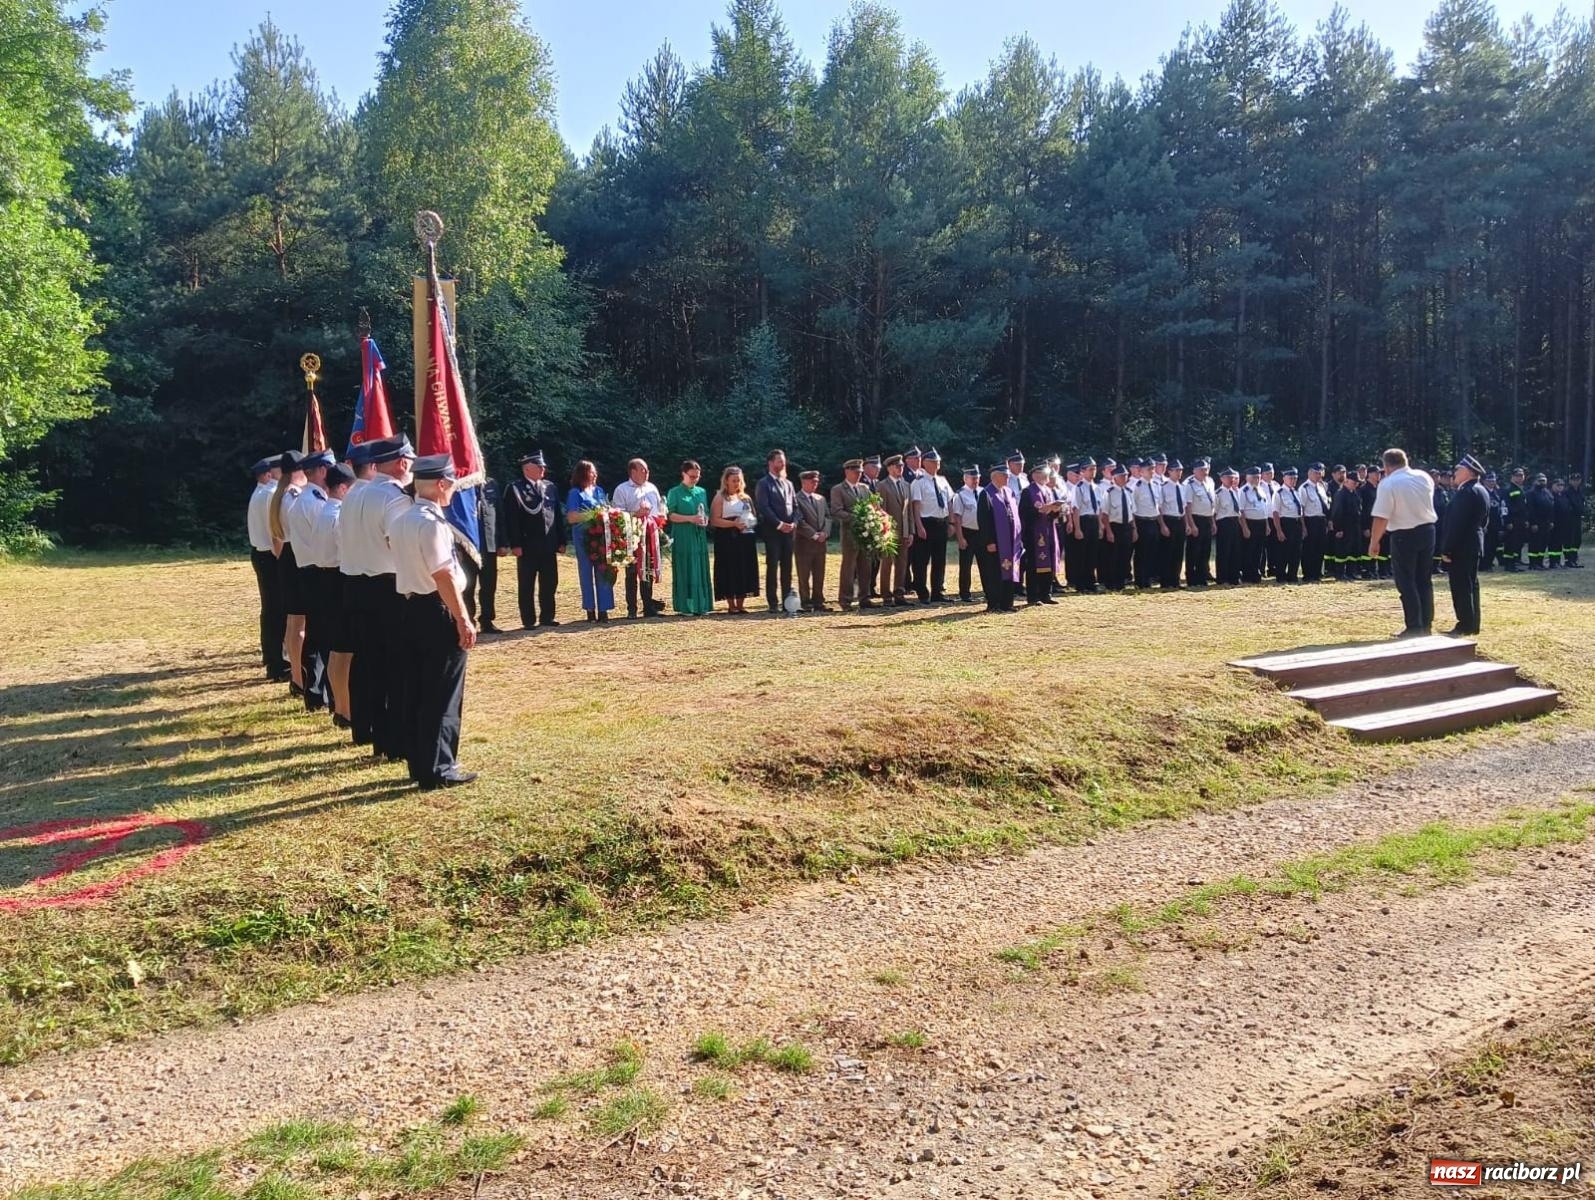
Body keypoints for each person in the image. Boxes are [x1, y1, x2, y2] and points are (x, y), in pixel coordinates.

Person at [390, 454, 478, 791]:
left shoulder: (402, 519)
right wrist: (463, 619)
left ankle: (421, 761)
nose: (454, 489)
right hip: (436, 609)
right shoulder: (431, 523)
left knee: (418, 688)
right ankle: (440, 766)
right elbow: (442, 575)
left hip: (411, 607)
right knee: (443, 691)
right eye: (452, 483)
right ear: (441, 484)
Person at [339, 434, 416, 760]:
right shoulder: (394, 498)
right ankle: (395, 741)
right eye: (411, 462)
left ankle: (370, 732)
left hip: (355, 585)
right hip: (387, 587)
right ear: (401, 463)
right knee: (396, 668)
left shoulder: (356, 492)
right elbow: (399, 544)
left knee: (369, 663)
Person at [1369, 447, 1438, 638]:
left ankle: (1414, 626)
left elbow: (1381, 517)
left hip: (1403, 534)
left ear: (1386, 466)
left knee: (1406, 581)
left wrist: (1374, 542)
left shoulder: (1388, 483)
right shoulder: (1424, 477)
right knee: (1424, 580)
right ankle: (1426, 624)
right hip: (1428, 530)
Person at [288, 449, 335, 714]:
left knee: (317, 633)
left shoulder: (307, 498)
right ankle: (318, 691)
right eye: (327, 468)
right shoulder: (313, 502)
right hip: (316, 572)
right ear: (319, 471)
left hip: (309, 571)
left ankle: (315, 691)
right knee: (322, 635)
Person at [308, 463, 355, 727]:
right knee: (343, 650)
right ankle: (344, 707)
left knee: (337, 648)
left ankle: (340, 705)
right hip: (338, 579)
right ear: (342, 488)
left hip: (324, 577)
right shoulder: (337, 515)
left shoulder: (324, 512)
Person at [501, 451, 564, 629]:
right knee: (527, 584)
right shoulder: (515, 488)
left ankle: (547, 616)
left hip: (548, 544)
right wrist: (515, 544)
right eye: (539, 466)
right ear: (527, 468)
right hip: (527, 545)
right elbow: (511, 519)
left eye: (543, 466)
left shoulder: (550, 487)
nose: (543, 469)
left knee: (550, 582)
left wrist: (561, 540)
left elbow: (556, 515)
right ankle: (528, 620)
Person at [268, 450, 310, 698]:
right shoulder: (293, 495)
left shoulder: (278, 495)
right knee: (300, 623)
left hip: (286, 555)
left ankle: (296, 675)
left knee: (293, 622)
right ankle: (298, 676)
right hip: (296, 555)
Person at [247, 456, 288, 681]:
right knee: (277, 610)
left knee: (270, 610)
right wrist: (283, 562)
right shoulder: (271, 494)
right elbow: (276, 534)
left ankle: (271, 656)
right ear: (269, 474)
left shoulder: (260, 493)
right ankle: (276, 662)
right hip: (271, 557)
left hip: (261, 555)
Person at [614, 458, 667, 618]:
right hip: (632, 535)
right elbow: (616, 515)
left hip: (650, 535)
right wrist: (636, 514)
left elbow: (658, 510)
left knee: (648, 571)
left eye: (647, 470)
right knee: (631, 573)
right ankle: (632, 609)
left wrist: (661, 516)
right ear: (633, 471)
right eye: (643, 470)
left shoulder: (652, 488)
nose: (647, 473)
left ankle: (648, 606)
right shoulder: (622, 489)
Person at [1442, 454, 1489, 636]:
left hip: (1462, 547)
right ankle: (1472, 623)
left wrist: (1447, 549)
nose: (1455, 473)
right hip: (1473, 544)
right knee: (1471, 584)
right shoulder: (1481, 490)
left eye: (1458, 470)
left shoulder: (1466, 493)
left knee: (1461, 586)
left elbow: (1456, 524)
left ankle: (1464, 624)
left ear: (1468, 472)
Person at [565, 460, 615, 622]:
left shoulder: (599, 491)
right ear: (583, 474)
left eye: (595, 472)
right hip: (583, 538)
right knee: (586, 573)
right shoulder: (575, 493)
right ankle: (590, 609)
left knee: (603, 571)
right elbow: (572, 517)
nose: (595, 475)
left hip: (601, 537)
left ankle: (604, 610)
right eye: (592, 472)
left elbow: (606, 510)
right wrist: (594, 515)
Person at [665, 459, 714, 615]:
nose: (694, 479)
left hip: (699, 536)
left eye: (697, 477)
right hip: (683, 536)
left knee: (700, 567)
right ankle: (686, 606)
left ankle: (702, 604)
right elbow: (671, 515)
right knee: (685, 568)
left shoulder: (702, 492)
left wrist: (704, 520)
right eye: (692, 476)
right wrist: (690, 519)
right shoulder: (674, 492)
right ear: (683, 474)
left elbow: (705, 512)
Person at [711, 465, 761, 613]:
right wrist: (734, 523)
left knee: (744, 568)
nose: (736, 483)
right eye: (733, 480)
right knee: (729, 569)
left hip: (744, 539)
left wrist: (749, 524)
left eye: (738, 480)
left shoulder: (746, 498)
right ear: (726, 481)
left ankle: (741, 603)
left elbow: (753, 517)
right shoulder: (720, 497)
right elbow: (714, 520)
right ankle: (731, 605)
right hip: (726, 539)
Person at [755, 449, 798, 614]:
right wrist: (779, 524)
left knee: (787, 566)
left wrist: (793, 522)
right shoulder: (764, 483)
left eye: (783, 461)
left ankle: (788, 600)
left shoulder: (788, 483)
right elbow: (764, 507)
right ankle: (773, 602)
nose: (782, 464)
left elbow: (795, 506)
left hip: (789, 531)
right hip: (772, 531)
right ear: (771, 463)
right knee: (772, 565)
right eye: (779, 461)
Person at [829, 459, 876, 610]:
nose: (858, 475)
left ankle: (864, 597)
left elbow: (874, 506)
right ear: (847, 472)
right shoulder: (838, 489)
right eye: (855, 472)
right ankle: (845, 600)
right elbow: (836, 511)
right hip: (849, 534)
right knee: (849, 567)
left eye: (860, 473)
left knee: (866, 567)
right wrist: (856, 517)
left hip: (865, 534)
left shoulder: (864, 488)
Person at [976, 463, 1023, 612]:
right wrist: (989, 541)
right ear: (995, 476)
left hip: (1010, 541)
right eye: (1005, 475)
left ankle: (1007, 603)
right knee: (994, 572)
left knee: (1009, 571)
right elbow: (983, 520)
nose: (1008, 477)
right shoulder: (987, 494)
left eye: (1008, 475)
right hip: (995, 542)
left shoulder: (1009, 492)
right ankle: (994, 603)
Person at [908, 448, 952, 603]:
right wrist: (919, 526)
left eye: (938, 461)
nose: (937, 464)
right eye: (933, 461)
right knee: (921, 560)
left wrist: (951, 522)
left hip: (941, 522)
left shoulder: (943, 480)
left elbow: (949, 502)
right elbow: (916, 506)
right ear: (925, 463)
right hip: (926, 523)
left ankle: (937, 592)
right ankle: (922, 592)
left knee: (940, 560)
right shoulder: (918, 482)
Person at [461, 476, 501, 634]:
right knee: (468, 586)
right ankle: (469, 620)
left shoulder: (491, 484)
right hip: (468, 546)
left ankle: (487, 620)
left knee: (489, 586)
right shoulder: (461, 485)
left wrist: (502, 542)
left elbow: (499, 514)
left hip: (489, 545)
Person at [875, 454, 915, 605]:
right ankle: (886, 596)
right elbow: (879, 510)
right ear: (890, 468)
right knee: (886, 564)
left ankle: (899, 594)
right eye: (897, 466)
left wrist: (910, 531)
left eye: (902, 466)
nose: (901, 468)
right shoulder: (882, 486)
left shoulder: (906, 485)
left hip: (904, 532)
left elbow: (909, 511)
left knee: (902, 564)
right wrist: (884, 531)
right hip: (888, 531)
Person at [1020, 463, 1063, 604]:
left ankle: (1046, 593)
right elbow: (1024, 513)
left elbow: (1051, 516)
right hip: (1034, 534)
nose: (1046, 476)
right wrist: (1040, 510)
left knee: (1048, 562)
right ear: (1035, 475)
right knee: (1034, 566)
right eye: (1043, 473)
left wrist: (1055, 511)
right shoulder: (1028, 492)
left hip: (1049, 532)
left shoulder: (1048, 491)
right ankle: (1033, 596)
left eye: (1047, 473)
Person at [794, 469, 832, 611]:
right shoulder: (796, 499)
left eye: (816, 482)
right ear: (803, 482)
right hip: (804, 543)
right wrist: (814, 534)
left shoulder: (820, 499)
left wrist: (825, 533)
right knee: (804, 574)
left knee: (819, 573)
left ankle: (818, 601)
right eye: (812, 482)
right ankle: (805, 601)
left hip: (821, 544)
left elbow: (828, 517)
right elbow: (799, 520)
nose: (815, 484)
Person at [1070, 460, 1104, 593]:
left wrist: (1100, 526)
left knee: (1092, 553)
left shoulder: (1097, 488)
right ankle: (1081, 583)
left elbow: (1099, 509)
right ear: (1082, 471)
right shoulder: (1078, 488)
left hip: (1094, 521)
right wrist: (1077, 528)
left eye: (1094, 469)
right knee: (1081, 554)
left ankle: (1091, 581)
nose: (1093, 472)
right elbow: (1076, 509)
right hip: (1083, 521)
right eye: (1090, 469)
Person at [1182, 459, 1216, 588]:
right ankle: (1191, 577)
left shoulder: (1210, 482)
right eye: (1202, 469)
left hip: (1207, 518)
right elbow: (1187, 507)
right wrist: (1191, 525)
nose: (1205, 472)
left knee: (1205, 550)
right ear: (1194, 471)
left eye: (1206, 469)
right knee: (1193, 550)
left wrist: (1213, 522)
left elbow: (1211, 504)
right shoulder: (1189, 484)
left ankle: (1202, 577)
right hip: (1195, 519)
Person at [951, 464, 982, 602]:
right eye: (972, 478)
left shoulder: (983, 492)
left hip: (981, 532)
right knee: (966, 565)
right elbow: (957, 518)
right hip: (967, 532)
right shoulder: (960, 495)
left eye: (977, 478)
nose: (975, 481)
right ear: (965, 479)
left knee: (984, 564)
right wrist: (960, 537)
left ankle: (988, 590)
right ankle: (965, 593)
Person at [1157, 457, 1187, 590]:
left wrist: (1187, 525)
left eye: (1181, 470)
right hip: (1169, 520)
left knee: (1178, 552)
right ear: (1169, 472)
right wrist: (1163, 525)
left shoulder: (1182, 487)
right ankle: (1166, 580)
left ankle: (1175, 580)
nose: (1179, 473)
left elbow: (1185, 508)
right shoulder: (1163, 487)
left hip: (1180, 520)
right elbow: (1160, 508)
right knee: (1167, 552)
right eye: (1176, 470)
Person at [1105, 463, 1136, 590]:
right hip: (1115, 526)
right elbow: (1105, 514)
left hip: (1127, 527)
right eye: (1122, 476)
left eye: (1126, 476)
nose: (1125, 478)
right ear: (1115, 478)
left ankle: (1122, 581)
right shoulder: (1109, 493)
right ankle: (1112, 582)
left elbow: (1132, 512)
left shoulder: (1129, 492)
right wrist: (1109, 531)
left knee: (1125, 555)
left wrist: (1135, 530)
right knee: (1114, 556)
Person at [1271, 466, 1304, 584]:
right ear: (1284, 478)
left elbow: (1300, 511)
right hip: (1285, 523)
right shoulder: (1278, 493)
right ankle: (1280, 576)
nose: (1293, 480)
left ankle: (1292, 575)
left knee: (1296, 552)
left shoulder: (1295, 492)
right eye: (1291, 478)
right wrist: (1279, 530)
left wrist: (1303, 527)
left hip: (1296, 523)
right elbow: (1275, 513)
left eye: (1295, 478)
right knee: (1283, 552)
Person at [1298, 464, 1330, 583]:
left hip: (1321, 521)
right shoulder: (1304, 488)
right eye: (1316, 473)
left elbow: (1325, 505)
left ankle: (1317, 573)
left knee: (1320, 548)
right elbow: (1301, 509)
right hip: (1310, 521)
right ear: (1309, 473)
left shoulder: (1321, 487)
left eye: (1320, 473)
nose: (1318, 475)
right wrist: (1303, 527)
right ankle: (1308, 574)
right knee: (1309, 549)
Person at [1328, 471, 1361, 582]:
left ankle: (1351, 572)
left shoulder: (1354, 493)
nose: (1356, 484)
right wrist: (1338, 529)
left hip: (1354, 527)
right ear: (1347, 481)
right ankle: (1339, 573)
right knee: (1342, 551)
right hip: (1344, 527)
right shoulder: (1341, 494)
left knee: (1353, 551)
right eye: (1354, 482)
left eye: (1357, 483)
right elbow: (1337, 512)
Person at [1239, 467, 1270, 584]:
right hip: (1250, 523)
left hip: (1261, 522)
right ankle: (1247, 574)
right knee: (1248, 550)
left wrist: (1267, 525)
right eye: (1254, 477)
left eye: (1258, 477)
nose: (1256, 479)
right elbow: (1241, 511)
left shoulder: (1261, 490)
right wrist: (1245, 527)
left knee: (1259, 550)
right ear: (1247, 477)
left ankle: (1256, 571)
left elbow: (1264, 509)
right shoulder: (1244, 491)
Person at [1213, 466, 1244, 586]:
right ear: (1222, 479)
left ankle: (1234, 577)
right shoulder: (1219, 493)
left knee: (1235, 551)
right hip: (1224, 522)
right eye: (1228, 478)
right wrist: (1214, 525)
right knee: (1224, 551)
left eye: (1233, 478)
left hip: (1235, 522)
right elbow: (1214, 511)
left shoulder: (1235, 491)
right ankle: (1222, 578)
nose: (1231, 480)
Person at [1526, 473, 1555, 569]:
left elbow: (1551, 507)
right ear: (1535, 481)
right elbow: (1530, 509)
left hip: (1546, 522)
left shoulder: (1547, 492)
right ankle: (1533, 563)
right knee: (1535, 543)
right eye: (1540, 480)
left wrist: (1551, 521)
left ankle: (1540, 562)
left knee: (1543, 543)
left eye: (1544, 480)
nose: (1542, 482)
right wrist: (1533, 523)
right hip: (1536, 522)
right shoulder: (1531, 493)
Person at [1503, 467, 1528, 571]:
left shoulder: (1521, 489)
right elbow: (1505, 507)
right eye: (1517, 476)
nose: (1520, 478)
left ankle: (1514, 563)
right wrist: (1508, 521)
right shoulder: (1509, 489)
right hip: (1512, 521)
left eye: (1521, 476)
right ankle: (1508, 565)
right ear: (1512, 477)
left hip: (1520, 521)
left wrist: (1525, 520)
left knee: (1517, 543)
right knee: (1510, 543)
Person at [1481, 471, 1503, 570]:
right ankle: (1484, 565)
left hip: (1495, 523)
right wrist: (1482, 525)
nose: (1491, 483)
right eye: (1489, 481)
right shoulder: (1482, 492)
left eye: (1493, 481)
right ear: (1484, 481)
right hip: (1486, 524)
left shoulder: (1496, 492)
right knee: (1486, 546)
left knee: (1494, 545)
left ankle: (1489, 563)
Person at [1565, 472, 1585, 567]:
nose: (1576, 482)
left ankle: (1574, 558)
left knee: (1577, 539)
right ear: (1570, 481)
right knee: (1570, 539)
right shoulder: (1567, 492)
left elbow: (1582, 503)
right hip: (1569, 518)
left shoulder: (1580, 491)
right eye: (1574, 480)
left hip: (1578, 518)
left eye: (1578, 480)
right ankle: (1568, 560)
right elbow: (1569, 505)